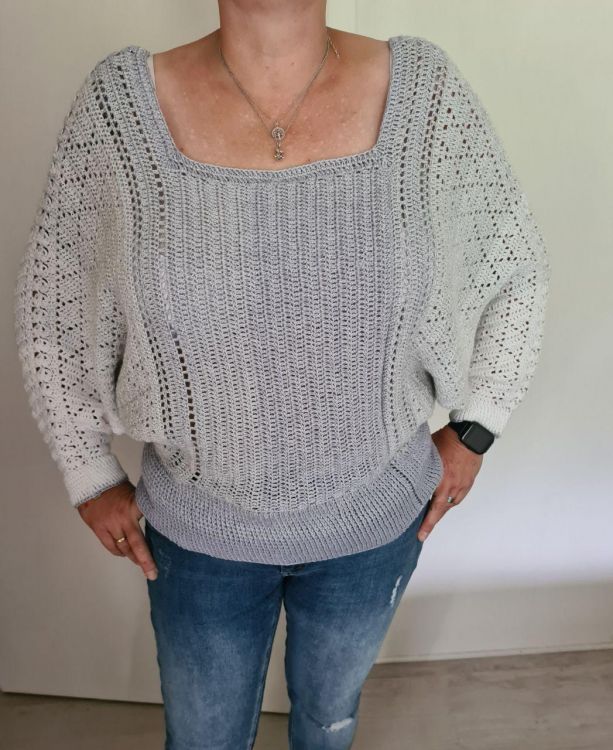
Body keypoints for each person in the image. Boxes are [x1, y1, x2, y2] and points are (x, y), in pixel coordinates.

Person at [14, 1, 550, 748]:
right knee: (203, 739)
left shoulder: (424, 94)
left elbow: (513, 269)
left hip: (374, 527)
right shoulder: (120, 107)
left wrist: (476, 427)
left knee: (329, 722)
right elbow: (57, 303)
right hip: (200, 537)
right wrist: (87, 471)